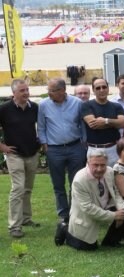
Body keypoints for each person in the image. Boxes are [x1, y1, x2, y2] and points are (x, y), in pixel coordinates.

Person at [62, 149, 124, 250]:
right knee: (89, 248)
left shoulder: (109, 171)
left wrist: (121, 210)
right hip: (86, 215)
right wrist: (114, 215)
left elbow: (116, 193)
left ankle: (111, 241)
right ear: (88, 163)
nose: (99, 169)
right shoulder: (79, 180)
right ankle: (64, 229)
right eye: (95, 165)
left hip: (105, 205)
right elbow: (88, 209)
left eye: (102, 165)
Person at [38, 78, 86, 223]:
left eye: (51, 90)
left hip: (76, 147)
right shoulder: (43, 105)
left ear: (62, 90)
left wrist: (84, 142)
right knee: (58, 184)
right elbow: (41, 127)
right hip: (54, 150)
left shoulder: (77, 103)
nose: (48, 93)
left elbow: (83, 124)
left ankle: (74, 211)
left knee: (76, 183)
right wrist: (45, 144)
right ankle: (63, 214)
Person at [0, 79, 41, 238]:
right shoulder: (4, 109)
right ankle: (14, 227)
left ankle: (26, 218)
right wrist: (2, 147)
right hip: (14, 155)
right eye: (22, 91)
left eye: (27, 90)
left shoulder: (34, 108)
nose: (26, 93)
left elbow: (42, 126)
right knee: (17, 189)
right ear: (14, 94)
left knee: (28, 189)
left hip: (32, 153)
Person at [81, 78, 124, 166]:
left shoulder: (116, 106)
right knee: (94, 178)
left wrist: (106, 121)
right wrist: (115, 124)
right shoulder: (86, 106)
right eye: (98, 88)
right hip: (94, 150)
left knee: (114, 177)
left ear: (108, 88)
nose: (101, 90)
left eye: (104, 87)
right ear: (93, 90)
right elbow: (93, 125)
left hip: (113, 149)